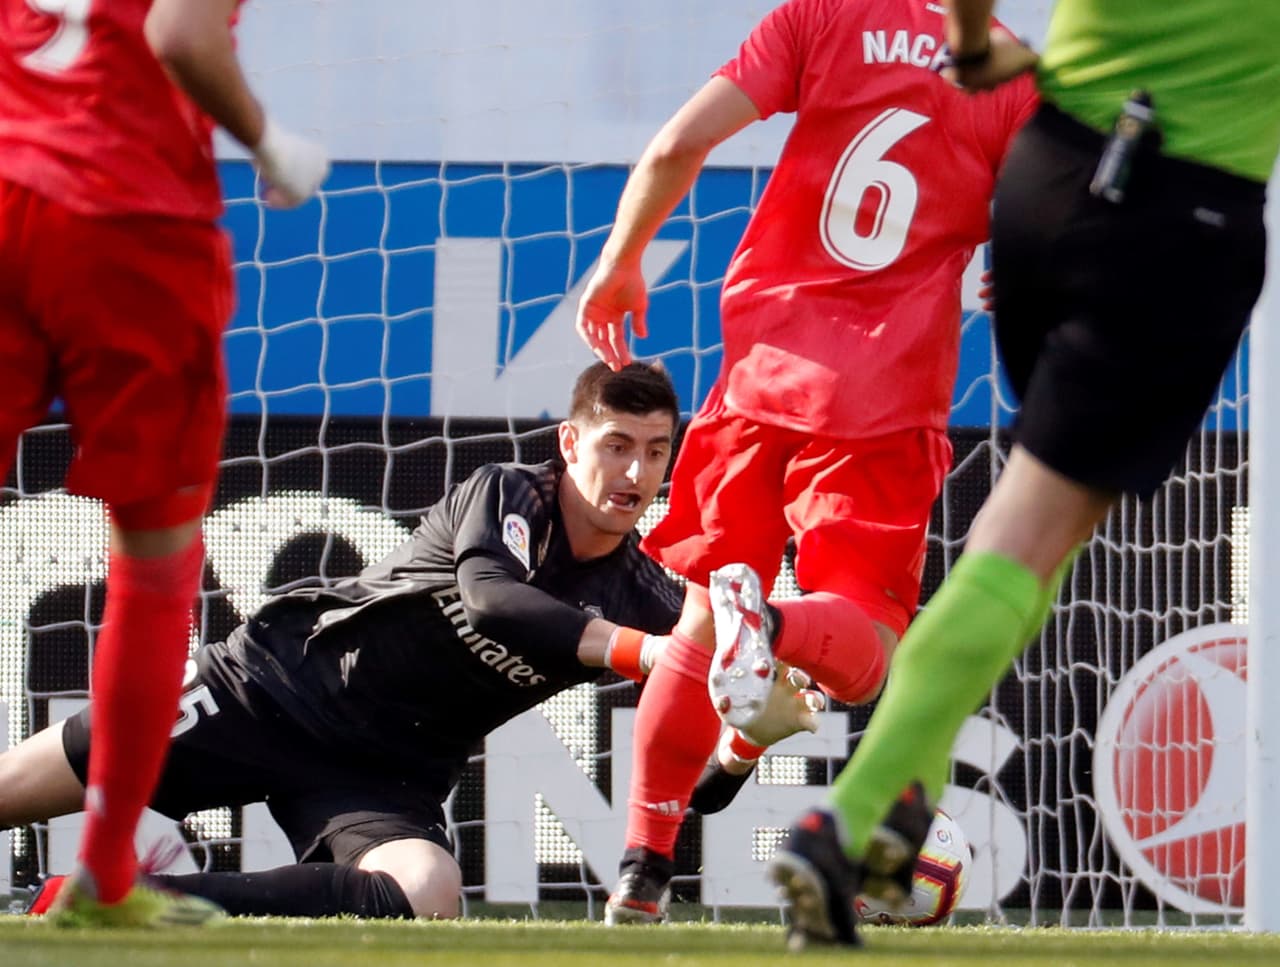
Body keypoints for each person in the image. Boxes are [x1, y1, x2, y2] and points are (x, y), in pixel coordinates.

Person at [768, 0, 1280, 949]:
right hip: (1177, 211)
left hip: (1045, 179)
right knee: (1029, 531)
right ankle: (847, 821)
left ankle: (896, 813)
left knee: (1040, 538)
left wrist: (969, 41)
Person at [575, 0, 1037, 925]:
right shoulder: (1014, 74)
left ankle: (643, 871)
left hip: (759, 372)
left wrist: (622, 258)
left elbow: (675, 145)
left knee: (704, 617)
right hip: (884, 399)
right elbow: (1050, 224)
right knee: (866, 653)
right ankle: (776, 624)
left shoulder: (821, 17)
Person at [0, 362, 685, 921]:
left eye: (655, 451)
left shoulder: (646, 593)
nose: (635, 473)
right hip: (273, 686)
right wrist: (642, 650)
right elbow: (491, 600)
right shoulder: (509, 492)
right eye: (616, 445)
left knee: (430, 889)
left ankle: (126, 897)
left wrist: (743, 737)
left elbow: (692, 754)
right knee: (11, 790)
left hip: (379, 776)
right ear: (570, 443)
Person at [0, 0, 328, 927]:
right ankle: (104, 875)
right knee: (154, 563)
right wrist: (268, 142)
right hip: (125, 218)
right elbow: (178, 34)